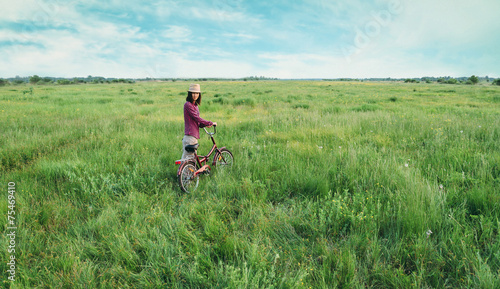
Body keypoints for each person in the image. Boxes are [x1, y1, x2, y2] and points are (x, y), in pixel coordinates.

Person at [181, 84, 217, 161]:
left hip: (194, 137)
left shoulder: (195, 106)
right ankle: (183, 173)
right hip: (190, 136)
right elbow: (197, 118)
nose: (195, 95)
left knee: (190, 160)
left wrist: (205, 124)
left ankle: (188, 173)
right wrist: (209, 122)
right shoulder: (188, 105)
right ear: (190, 94)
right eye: (193, 93)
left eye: (197, 93)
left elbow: (198, 122)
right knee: (188, 160)